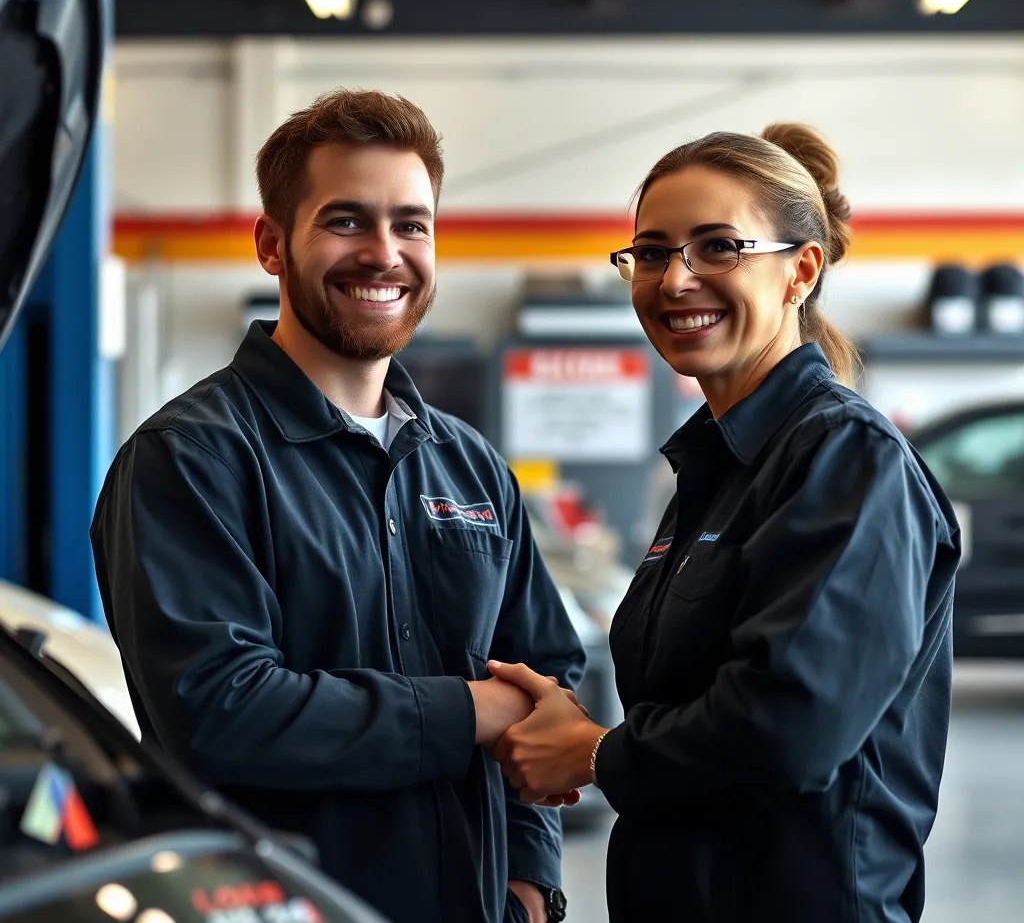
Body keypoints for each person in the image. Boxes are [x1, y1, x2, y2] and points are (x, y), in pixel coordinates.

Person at [90, 89, 586, 923]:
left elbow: (545, 685)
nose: (385, 253)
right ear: (273, 246)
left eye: (412, 224)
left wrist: (530, 883)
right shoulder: (190, 460)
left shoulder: (469, 466)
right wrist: (469, 709)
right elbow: (223, 710)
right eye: (347, 221)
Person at [487, 123, 961, 923]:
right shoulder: (719, 468)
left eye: (718, 247)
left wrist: (598, 752)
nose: (676, 279)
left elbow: (792, 724)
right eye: (651, 251)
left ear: (800, 271)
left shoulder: (848, 459)